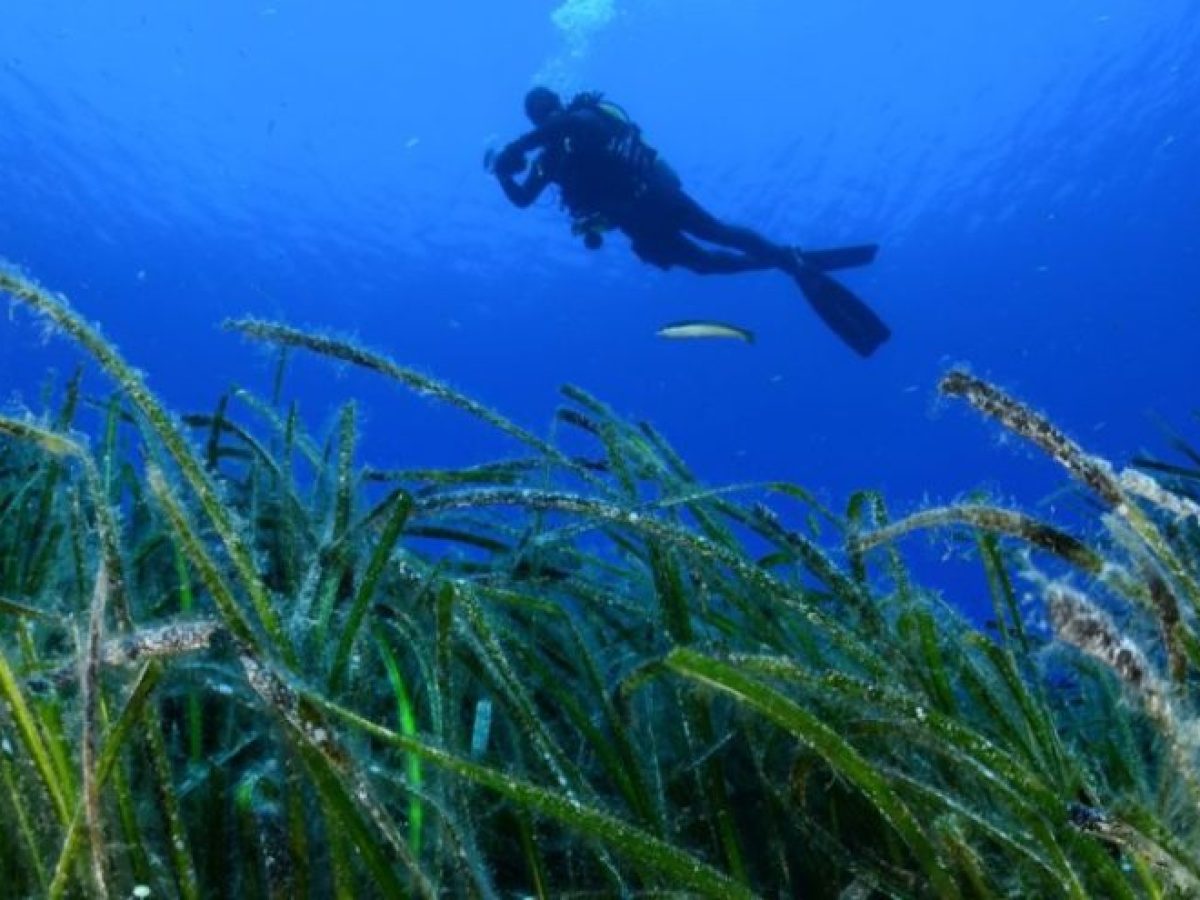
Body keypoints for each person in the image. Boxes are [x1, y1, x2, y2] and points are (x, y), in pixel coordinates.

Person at [489, 86, 892, 357]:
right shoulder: (549, 158)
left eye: (545, 111)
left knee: (716, 233)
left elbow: (568, 126)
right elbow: (524, 200)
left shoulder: (583, 118)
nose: (546, 117)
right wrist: (504, 172)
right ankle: (786, 261)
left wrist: (513, 148)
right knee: (704, 264)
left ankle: (787, 260)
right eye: (539, 115)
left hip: (654, 196)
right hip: (637, 225)